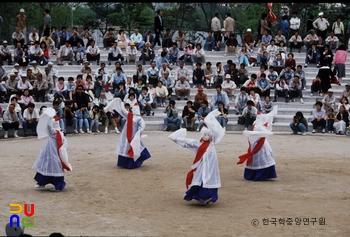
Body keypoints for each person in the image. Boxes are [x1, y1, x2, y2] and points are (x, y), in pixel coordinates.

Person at [168, 109, 224, 205]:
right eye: (204, 135)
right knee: (201, 179)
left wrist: (210, 118)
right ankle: (200, 197)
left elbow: (216, 131)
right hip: (203, 165)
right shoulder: (198, 143)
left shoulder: (212, 142)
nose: (206, 136)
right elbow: (187, 142)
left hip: (211, 166)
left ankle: (208, 197)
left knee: (209, 179)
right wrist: (175, 138)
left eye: (208, 135)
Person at [32, 108, 72, 191]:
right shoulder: (58, 133)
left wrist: (48, 117)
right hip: (48, 150)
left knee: (54, 164)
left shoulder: (55, 133)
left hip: (54, 152)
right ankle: (42, 182)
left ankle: (58, 185)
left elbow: (49, 126)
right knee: (45, 164)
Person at [105, 97, 151, 168]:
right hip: (129, 135)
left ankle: (127, 163)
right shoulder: (132, 116)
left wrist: (138, 134)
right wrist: (120, 102)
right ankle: (128, 164)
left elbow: (141, 127)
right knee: (129, 147)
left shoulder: (132, 116)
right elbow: (142, 127)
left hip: (131, 136)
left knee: (129, 147)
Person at [237, 106, 278, 181]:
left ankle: (253, 174)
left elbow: (268, 116)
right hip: (259, 142)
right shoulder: (258, 125)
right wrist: (269, 132)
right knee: (263, 156)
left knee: (261, 156)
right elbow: (265, 126)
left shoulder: (256, 123)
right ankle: (261, 174)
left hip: (257, 142)